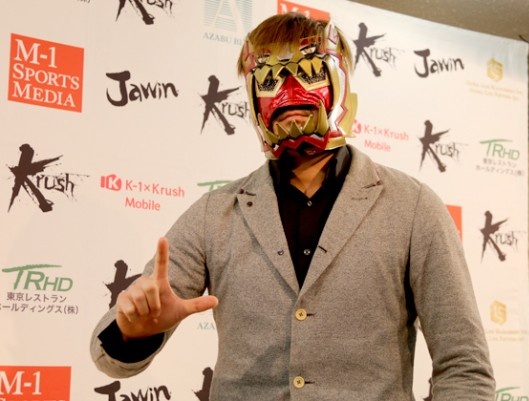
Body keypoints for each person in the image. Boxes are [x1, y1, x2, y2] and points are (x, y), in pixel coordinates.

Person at [90, 12, 496, 400]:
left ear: (341, 79)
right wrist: (133, 332)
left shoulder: (412, 207)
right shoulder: (215, 213)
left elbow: (464, 364)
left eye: (310, 72)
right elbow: (106, 350)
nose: (289, 91)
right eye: (269, 79)